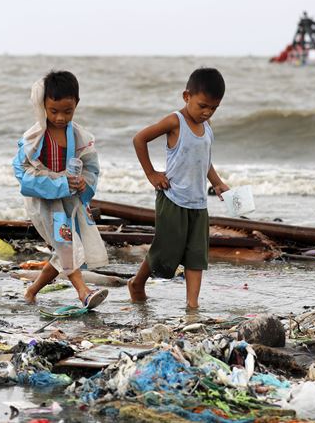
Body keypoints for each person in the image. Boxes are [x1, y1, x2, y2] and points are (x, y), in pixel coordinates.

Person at [128, 68, 229, 309]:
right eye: (202, 105)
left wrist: (216, 182)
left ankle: (192, 304)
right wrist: (151, 173)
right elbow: (139, 139)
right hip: (173, 197)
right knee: (165, 249)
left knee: (197, 255)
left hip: (198, 202)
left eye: (213, 108)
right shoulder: (176, 121)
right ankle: (137, 283)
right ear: (187, 96)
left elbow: (204, 160)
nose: (207, 112)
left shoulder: (207, 127)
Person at [13, 70, 109, 308]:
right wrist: (59, 183)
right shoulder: (34, 138)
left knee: (63, 248)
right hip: (42, 200)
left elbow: (91, 168)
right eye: (53, 111)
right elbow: (21, 173)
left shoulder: (79, 137)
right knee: (66, 243)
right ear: (43, 105)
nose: (59, 117)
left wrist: (84, 183)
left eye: (67, 111)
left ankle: (32, 291)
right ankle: (83, 292)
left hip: (69, 200)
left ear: (77, 104)